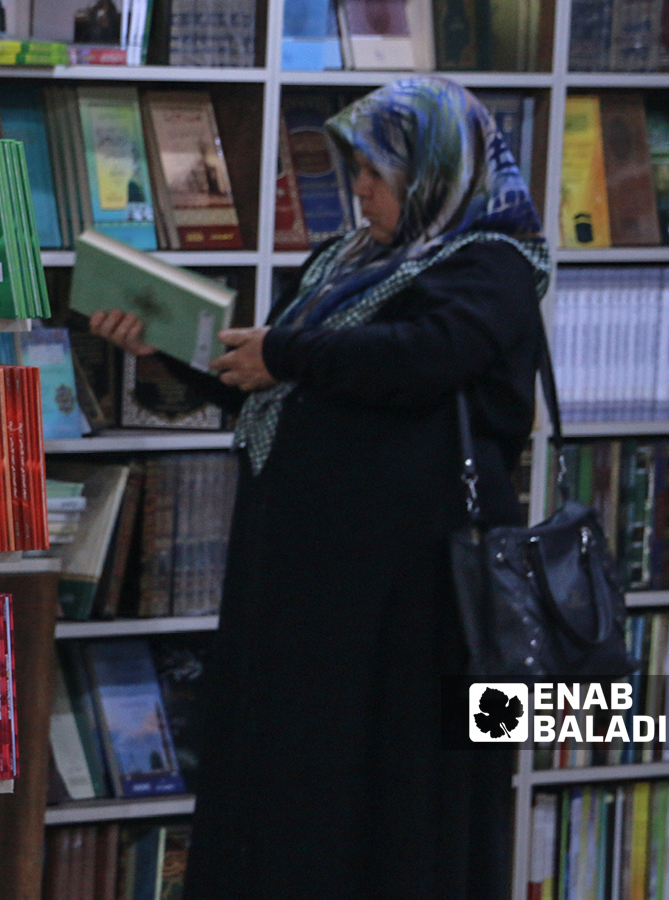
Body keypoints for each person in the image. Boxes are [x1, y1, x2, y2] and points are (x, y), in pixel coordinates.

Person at [87, 78, 549, 899]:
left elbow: (423, 357)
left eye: (377, 174)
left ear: (436, 172)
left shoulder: (494, 265)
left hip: (415, 598)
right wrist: (161, 346)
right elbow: (262, 377)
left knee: (391, 794)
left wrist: (288, 355)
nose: (359, 191)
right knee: (290, 783)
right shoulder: (342, 260)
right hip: (303, 585)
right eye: (357, 172)